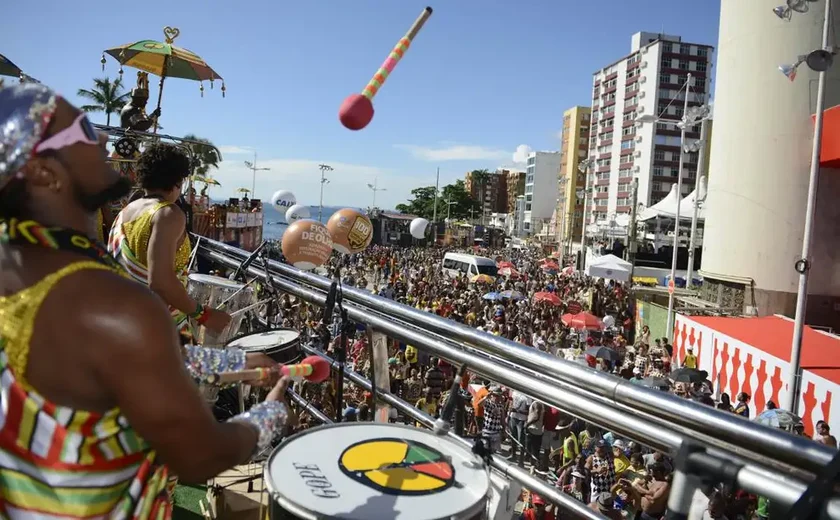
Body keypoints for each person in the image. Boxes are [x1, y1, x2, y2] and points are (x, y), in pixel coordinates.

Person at [0, 83, 290, 518]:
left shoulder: (32, 265)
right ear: (45, 174)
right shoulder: (111, 304)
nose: (102, 136)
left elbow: (147, 360)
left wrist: (237, 365)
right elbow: (199, 453)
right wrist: (269, 418)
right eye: (81, 129)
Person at [108, 143, 230, 336]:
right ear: (178, 181)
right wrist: (204, 315)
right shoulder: (167, 214)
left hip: (121, 320)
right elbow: (159, 281)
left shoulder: (125, 212)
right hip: (154, 329)